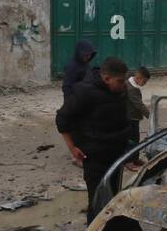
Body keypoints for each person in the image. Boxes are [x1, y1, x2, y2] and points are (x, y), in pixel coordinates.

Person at [56, 56, 133, 221]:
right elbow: (62, 119)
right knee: (97, 203)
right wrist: (72, 147)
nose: (123, 84)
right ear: (106, 78)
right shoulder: (84, 93)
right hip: (95, 157)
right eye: (120, 81)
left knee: (113, 198)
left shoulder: (120, 90)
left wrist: (129, 151)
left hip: (116, 154)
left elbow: (123, 120)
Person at [125, 66, 150, 167]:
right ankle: (128, 161)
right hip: (129, 118)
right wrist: (150, 115)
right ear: (138, 77)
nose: (144, 84)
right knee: (130, 141)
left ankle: (135, 158)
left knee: (136, 139)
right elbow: (139, 105)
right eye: (144, 81)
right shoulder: (131, 89)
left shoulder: (131, 83)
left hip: (134, 117)